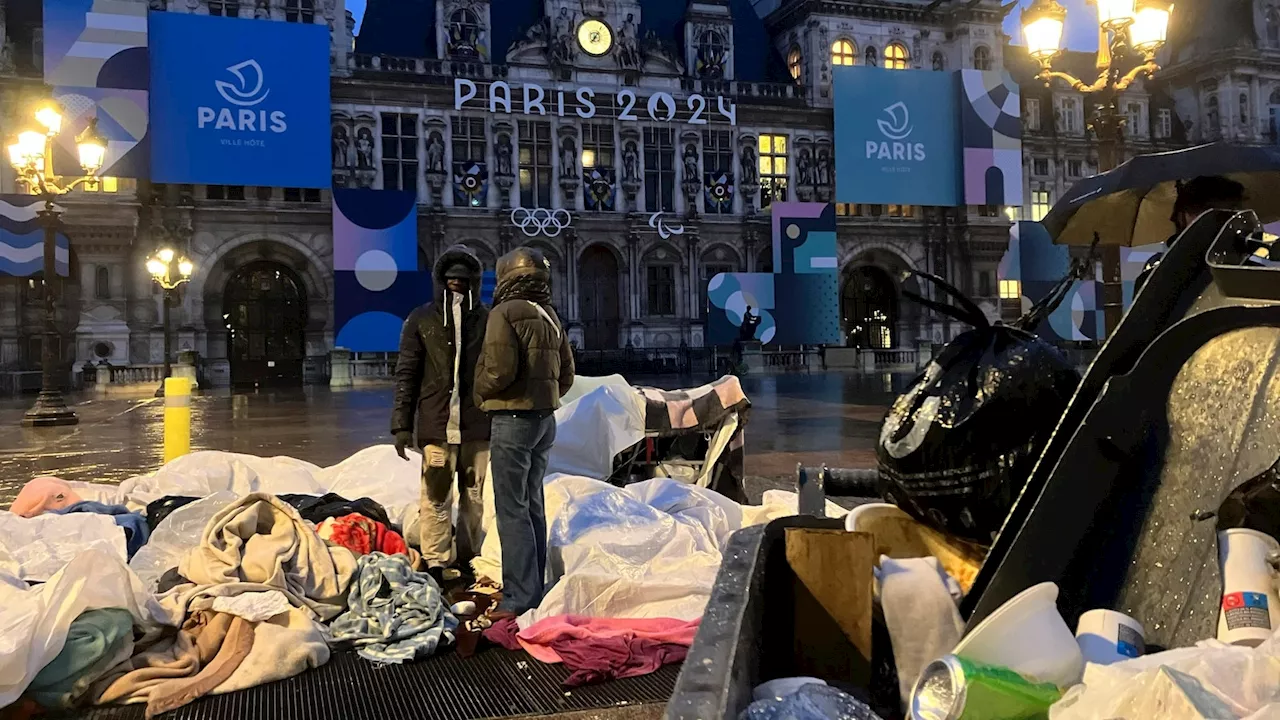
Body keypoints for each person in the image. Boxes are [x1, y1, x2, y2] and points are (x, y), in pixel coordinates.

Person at [474, 247, 575, 618]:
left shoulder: (503, 313)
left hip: (512, 420)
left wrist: (479, 391)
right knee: (532, 503)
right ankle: (535, 586)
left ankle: (518, 597)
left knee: (511, 508)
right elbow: (567, 375)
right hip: (544, 420)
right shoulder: (550, 315)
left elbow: (498, 370)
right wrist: (543, 395)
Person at [391, 245, 490, 587]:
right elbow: (407, 373)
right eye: (450, 280)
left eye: (463, 280)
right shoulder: (422, 319)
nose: (457, 285)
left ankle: (469, 555)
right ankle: (436, 560)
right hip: (437, 426)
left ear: (473, 282)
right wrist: (401, 425)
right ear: (440, 282)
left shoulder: (489, 320)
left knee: (474, 497)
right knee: (435, 495)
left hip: (478, 427)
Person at [1135, 176, 1246, 295]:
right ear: (1182, 217)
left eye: (1233, 211)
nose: (1221, 222)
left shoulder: (1248, 265)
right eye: (1206, 211)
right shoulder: (1158, 272)